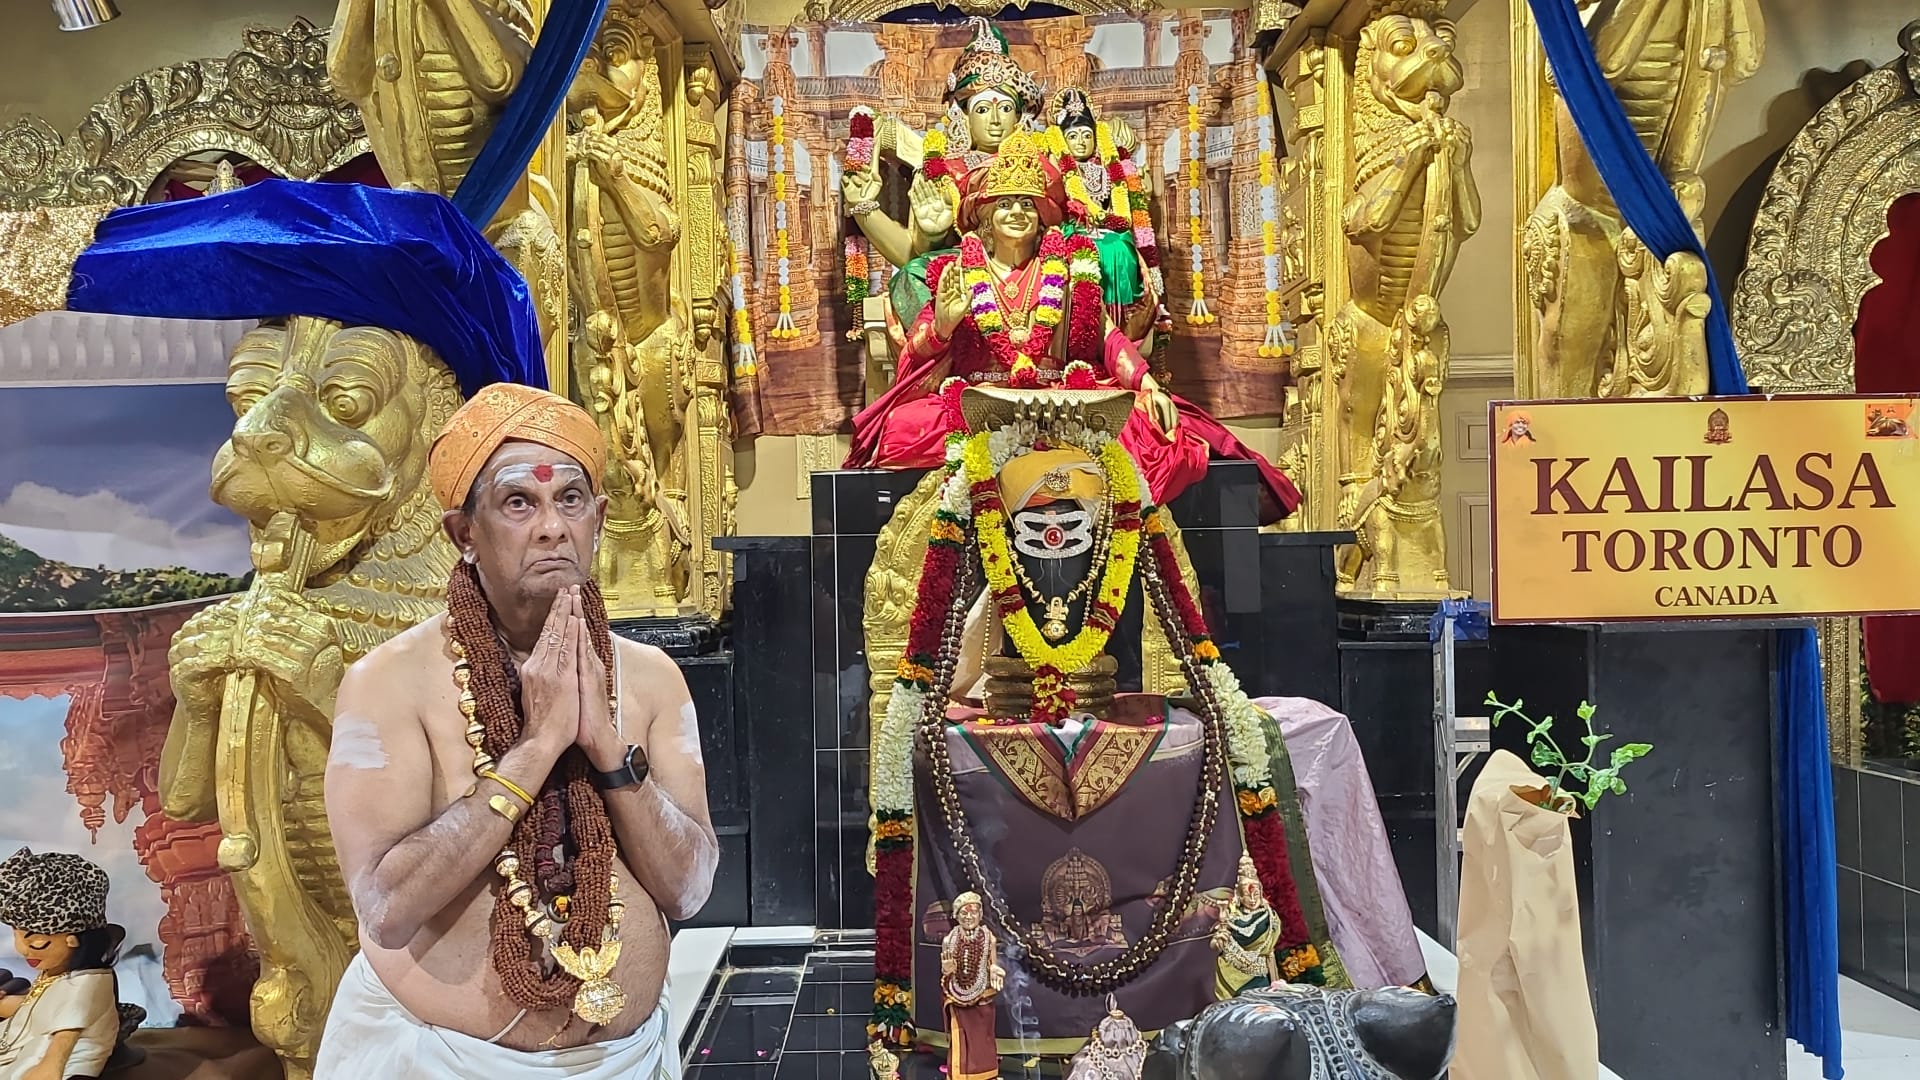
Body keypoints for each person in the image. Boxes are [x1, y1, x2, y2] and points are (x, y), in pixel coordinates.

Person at [314, 383, 718, 1077]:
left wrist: (607, 750)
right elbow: (387, 907)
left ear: (599, 519)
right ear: (464, 535)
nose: (553, 527)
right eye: (519, 503)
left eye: (571, 499)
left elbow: (688, 889)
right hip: (438, 1060)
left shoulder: (650, 678)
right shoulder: (388, 682)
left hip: (626, 1057)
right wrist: (533, 750)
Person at [844, 131, 1301, 520]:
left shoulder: (1067, 270)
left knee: (1152, 426)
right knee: (900, 428)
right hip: (981, 400)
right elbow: (918, 354)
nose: (1017, 212)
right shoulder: (957, 272)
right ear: (984, 217)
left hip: (1062, 398)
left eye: (1027, 204)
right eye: (1005, 204)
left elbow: (1107, 338)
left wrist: (1147, 386)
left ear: (1042, 215)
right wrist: (943, 326)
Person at [0, 849, 129, 1080]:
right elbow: (38, 1010)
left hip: (48, 1062)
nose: (22, 949)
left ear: (74, 940)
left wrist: (48, 1070)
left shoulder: (85, 985)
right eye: (16, 935)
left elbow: (63, 1041)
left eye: (37, 942)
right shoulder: (55, 973)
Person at [939, 893, 1004, 1080]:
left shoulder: (989, 938)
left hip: (982, 998)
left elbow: (992, 963)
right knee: (960, 1039)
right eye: (964, 913)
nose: (969, 917)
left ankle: (985, 1075)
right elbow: (946, 973)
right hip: (957, 996)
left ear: (980, 915)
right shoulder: (948, 941)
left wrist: (994, 969)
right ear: (956, 916)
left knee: (982, 1040)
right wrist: (947, 971)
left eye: (973, 913)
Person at [1211, 855, 1282, 999]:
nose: (1253, 899)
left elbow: (1269, 950)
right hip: (1232, 972)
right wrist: (1218, 941)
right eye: (1248, 895)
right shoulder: (1231, 918)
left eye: (1256, 894)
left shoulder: (1270, 917)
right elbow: (1216, 944)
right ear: (1239, 896)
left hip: (1260, 975)